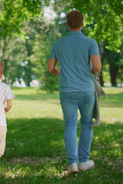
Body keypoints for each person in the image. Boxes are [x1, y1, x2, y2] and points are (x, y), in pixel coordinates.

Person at [47, 10, 102, 176]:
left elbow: (51, 68)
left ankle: (72, 163)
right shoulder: (90, 42)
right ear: (82, 24)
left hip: (67, 91)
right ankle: (84, 161)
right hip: (86, 90)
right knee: (86, 124)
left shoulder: (59, 44)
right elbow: (97, 67)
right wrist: (88, 72)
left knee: (70, 125)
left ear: (68, 24)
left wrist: (62, 73)